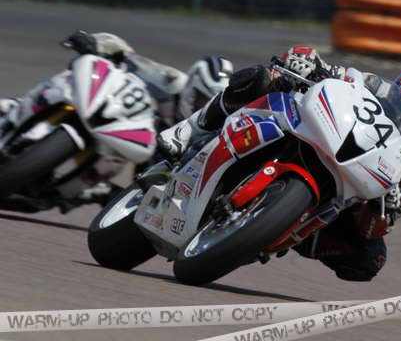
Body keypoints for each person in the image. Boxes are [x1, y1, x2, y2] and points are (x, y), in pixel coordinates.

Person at [158, 46, 401, 281]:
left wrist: (385, 207)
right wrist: (306, 61)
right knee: (265, 78)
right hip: (315, 132)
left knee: (369, 259)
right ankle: (189, 129)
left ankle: (275, 232)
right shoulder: (373, 85)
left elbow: (373, 229)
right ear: (400, 95)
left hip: (344, 197)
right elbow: (325, 68)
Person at [0, 31, 233, 210]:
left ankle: (68, 192)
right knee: (57, 89)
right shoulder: (170, 80)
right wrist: (96, 44)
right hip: (107, 110)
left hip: (121, 155)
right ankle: (14, 115)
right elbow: (130, 57)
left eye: (207, 102)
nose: (202, 106)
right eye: (200, 98)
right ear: (192, 85)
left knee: (97, 191)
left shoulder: (195, 133)